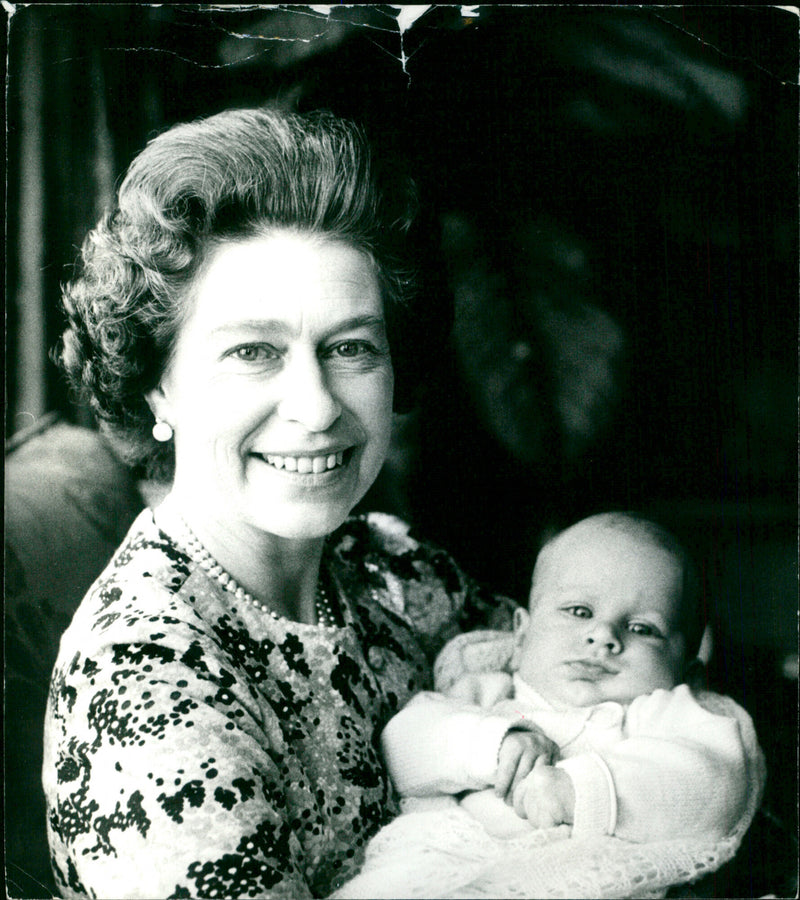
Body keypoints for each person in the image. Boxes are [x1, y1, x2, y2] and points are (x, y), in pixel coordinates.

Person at [42, 106, 515, 900]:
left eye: (351, 347)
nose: (317, 405)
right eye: (253, 352)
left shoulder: (388, 566)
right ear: (158, 380)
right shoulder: (145, 682)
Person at [333, 513, 765, 899]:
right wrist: (490, 746)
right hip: (446, 873)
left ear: (686, 671)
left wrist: (581, 791)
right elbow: (404, 744)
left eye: (642, 628)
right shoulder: (487, 695)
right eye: (579, 611)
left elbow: (710, 784)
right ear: (520, 636)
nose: (604, 636)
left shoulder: (668, 713)